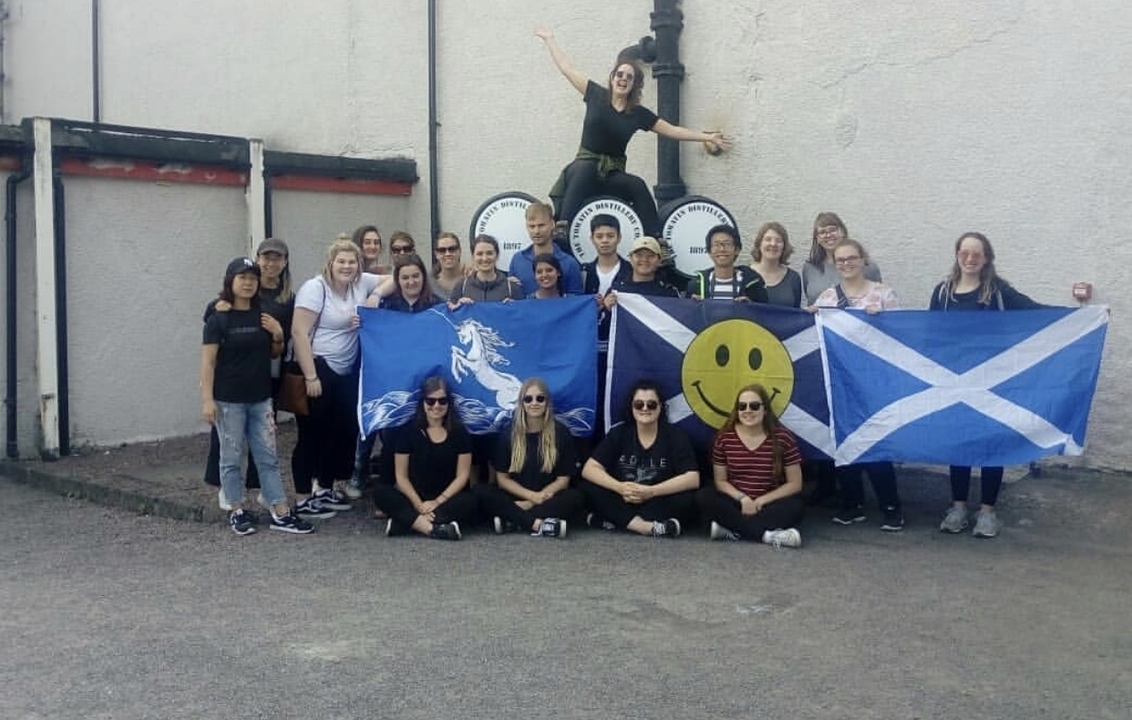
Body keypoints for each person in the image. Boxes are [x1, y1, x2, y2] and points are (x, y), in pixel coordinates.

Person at [535, 27, 732, 236]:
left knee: (637, 184)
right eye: (619, 74)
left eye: (629, 77)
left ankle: (656, 239)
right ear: (612, 78)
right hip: (583, 170)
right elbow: (567, 69)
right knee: (586, 169)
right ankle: (562, 227)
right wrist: (550, 40)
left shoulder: (638, 114)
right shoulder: (595, 95)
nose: (623, 79)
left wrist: (708, 136)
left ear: (634, 84)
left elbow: (672, 130)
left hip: (612, 173)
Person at [930, 232, 1044, 539]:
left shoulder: (998, 291)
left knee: (992, 446)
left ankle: (988, 512)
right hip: (954, 381)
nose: (969, 258)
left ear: (986, 258)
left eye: (976, 254)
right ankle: (958, 508)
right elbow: (929, 334)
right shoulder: (942, 293)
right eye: (964, 252)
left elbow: (1037, 312)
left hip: (993, 381)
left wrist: (1082, 316)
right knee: (960, 445)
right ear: (956, 255)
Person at [199, 257, 313, 535]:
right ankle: (236, 510)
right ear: (231, 282)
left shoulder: (263, 315)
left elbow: (274, 353)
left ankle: (280, 511)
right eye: (242, 278)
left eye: (252, 278)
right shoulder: (218, 318)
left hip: (261, 399)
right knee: (231, 456)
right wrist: (207, 400)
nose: (248, 283)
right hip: (228, 401)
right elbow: (208, 363)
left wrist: (277, 335)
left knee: (267, 456)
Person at [813, 238, 904, 531]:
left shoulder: (883, 294)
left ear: (863, 260)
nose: (846, 264)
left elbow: (902, 337)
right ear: (833, 264)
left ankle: (891, 507)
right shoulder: (827, 298)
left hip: (875, 383)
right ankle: (853, 504)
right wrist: (809, 317)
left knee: (876, 442)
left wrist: (884, 321)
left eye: (851, 258)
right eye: (840, 260)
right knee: (845, 442)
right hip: (842, 382)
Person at [290, 238, 385, 518]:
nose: (346, 266)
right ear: (330, 263)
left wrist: (375, 297)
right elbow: (298, 332)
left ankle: (325, 486)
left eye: (351, 261)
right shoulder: (315, 288)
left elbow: (392, 278)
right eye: (341, 261)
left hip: (345, 371)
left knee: (343, 431)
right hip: (319, 367)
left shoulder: (360, 283)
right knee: (312, 435)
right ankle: (302, 497)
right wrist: (310, 377)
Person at [202, 237, 295, 501]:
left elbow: (281, 342)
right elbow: (211, 338)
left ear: (285, 262)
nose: (271, 263)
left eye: (277, 258)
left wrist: (278, 334)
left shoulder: (288, 298)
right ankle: (227, 491)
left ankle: (262, 489)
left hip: (267, 376)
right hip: (231, 381)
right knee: (227, 441)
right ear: (258, 260)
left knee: (264, 441)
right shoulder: (229, 303)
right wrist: (207, 396)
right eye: (266, 257)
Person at [347, 253, 442, 502]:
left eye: (416, 276)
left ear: (424, 277)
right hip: (392, 377)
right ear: (397, 280)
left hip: (426, 378)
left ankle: (420, 484)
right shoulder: (385, 306)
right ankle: (367, 476)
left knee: (420, 429)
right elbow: (371, 326)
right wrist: (364, 319)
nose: (411, 282)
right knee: (385, 423)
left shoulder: (437, 305)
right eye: (405, 277)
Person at [581, 380, 700, 537]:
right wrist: (619, 487)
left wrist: (651, 492)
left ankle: (617, 521)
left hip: (656, 498)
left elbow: (693, 478)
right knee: (587, 488)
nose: (645, 409)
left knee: (691, 499)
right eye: (639, 404)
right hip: (623, 498)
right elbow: (589, 469)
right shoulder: (619, 433)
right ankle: (643, 526)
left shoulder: (675, 436)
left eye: (651, 404)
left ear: (660, 407)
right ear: (631, 407)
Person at [474, 378, 584, 538]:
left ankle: (513, 520)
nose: (534, 403)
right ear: (521, 403)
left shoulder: (561, 433)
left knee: (575, 497)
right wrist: (531, 496)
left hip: (548, 496)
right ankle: (537, 523)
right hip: (515, 496)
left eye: (540, 398)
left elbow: (563, 480)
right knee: (480, 491)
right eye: (528, 399)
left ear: (547, 402)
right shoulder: (508, 434)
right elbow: (503, 479)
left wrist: (532, 502)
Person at [697, 384, 803, 547]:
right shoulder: (724, 438)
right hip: (736, 501)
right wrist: (743, 498)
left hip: (769, 503)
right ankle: (767, 536)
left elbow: (795, 484)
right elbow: (720, 481)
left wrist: (761, 500)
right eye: (742, 406)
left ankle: (733, 531)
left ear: (765, 409)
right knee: (704, 497)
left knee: (796, 506)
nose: (748, 410)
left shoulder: (783, 438)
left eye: (754, 406)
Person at [373, 376, 476, 540]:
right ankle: (435, 528)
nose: (437, 406)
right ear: (422, 403)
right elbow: (401, 476)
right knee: (381, 492)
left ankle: (407, 523)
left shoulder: (460, 432)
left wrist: (437, 502)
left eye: (442, 401)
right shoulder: (408, 431)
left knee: (472, 499)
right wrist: (418, 504)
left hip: (446, 497)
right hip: (415, 496)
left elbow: (462, 475)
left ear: (449, 403)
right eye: (430, 401)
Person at [802, 212, 882, 306]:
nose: (828, 235)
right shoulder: (810, 268)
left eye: (832, 230)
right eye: (822, 232)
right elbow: (810, 301)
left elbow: (879, 298)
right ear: (817, 239)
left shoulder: (867, 267)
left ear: (843, 232)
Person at [509, 201, 583, 296]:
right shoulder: (517, 260)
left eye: (541, 225)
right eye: (532, 226)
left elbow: (578, 301)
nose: (536, 231)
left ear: (552, 224)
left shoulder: (569, 263)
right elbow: (512, 298)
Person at [687, 224, 767, 302]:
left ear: (737, 250)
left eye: (727, 244)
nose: (722, 249)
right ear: (709, 251)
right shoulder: (696, 286)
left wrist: (750, 307)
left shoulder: (753, 284)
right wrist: (694, 306)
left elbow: (765, 312)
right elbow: (685, 313)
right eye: (716, 244)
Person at [602, 236, 681, 309]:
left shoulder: (669, 293)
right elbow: (602, 322)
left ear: (659, 260)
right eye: (639, 255)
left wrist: (692, 304)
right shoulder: (616, 290)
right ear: (631, 258)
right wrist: (606, 308)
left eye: (650, 255)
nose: (644, 259)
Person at [447, 234, 523, 305]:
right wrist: (458, 306)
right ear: (473, 257)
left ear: (497, 255)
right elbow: (450, 315)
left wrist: (515, 306)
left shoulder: (511, 288)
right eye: (479, 254)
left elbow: (523, 315)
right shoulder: (461, 287)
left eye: (489, 253)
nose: (485, 258)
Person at [750, 222, 803, 308]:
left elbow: (796, 314)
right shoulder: (744, 275)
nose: (773, 244)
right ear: (759, 244)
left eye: (778, 240)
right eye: (768, 239)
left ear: (784, 246)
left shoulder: (793, 278)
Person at [431, 231, 465, 303]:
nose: (447, 254)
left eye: (452, 249)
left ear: (459, 251)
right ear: (436, 254)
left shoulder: (470, 280)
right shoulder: (429, 283)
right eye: (442, 250)